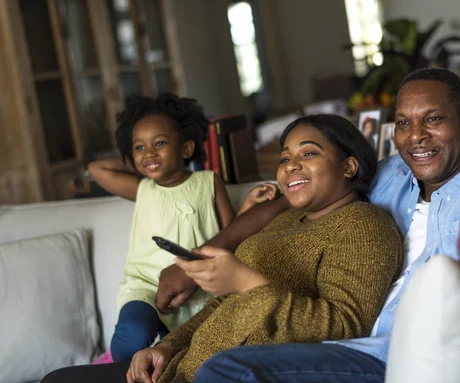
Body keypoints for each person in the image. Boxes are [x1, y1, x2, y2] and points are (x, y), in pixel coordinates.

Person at [181, 67, 460, 382]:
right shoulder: (391, 174)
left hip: (399, 359)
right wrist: (204, 253)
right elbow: (295, 194)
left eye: (433, 119)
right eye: (403, 122)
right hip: (342, 343)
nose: (415, 136)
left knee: (228, 370)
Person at [42, 114, 403, 383]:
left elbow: (345, 325)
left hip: (232, 372)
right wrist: (167, 347)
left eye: (308, 153)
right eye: (284, 157)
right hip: (181, 367)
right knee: (57, 380)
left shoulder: (365, 226)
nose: (291, 165)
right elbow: (220, 305)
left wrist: (249, 284)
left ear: (349, 166)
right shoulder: (283, 221)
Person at [87, 93, 235, 362]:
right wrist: (139, 162)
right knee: (128, 342)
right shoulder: (142, 189)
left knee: (202, 354)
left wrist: (249, 204)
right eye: (140, 147)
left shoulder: (208, 183)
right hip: (145, 287)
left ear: (187, 149)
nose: (150, 153)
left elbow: (233, 233)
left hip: (199, 291)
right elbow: (97, 169)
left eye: (160, 144)